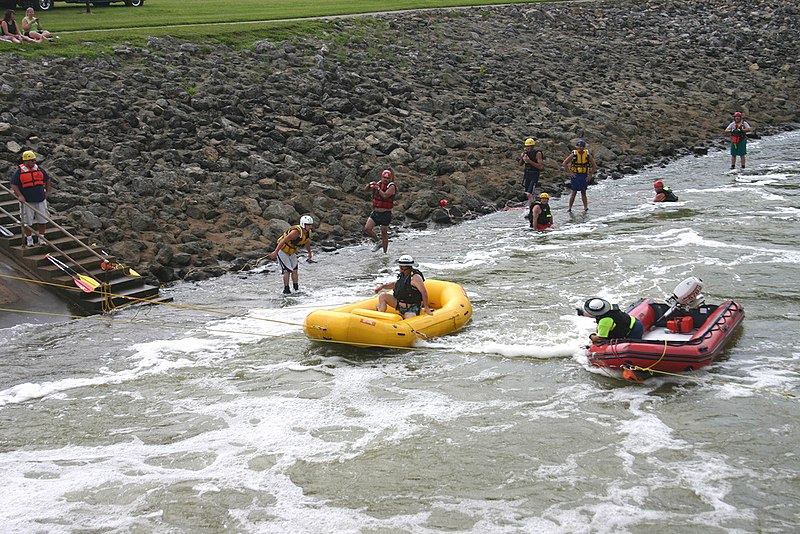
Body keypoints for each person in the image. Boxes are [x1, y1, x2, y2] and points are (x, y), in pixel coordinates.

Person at [10, 150, 52, 247]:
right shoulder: (19, 172)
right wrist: (20, 195)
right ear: (25, 161)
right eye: (31, 160)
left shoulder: (39, 169)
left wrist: (48, 191)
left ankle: (41, 238)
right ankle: (29, 239)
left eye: (34, 160)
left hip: (40, 199)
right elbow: (14, 184)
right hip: (27, 201)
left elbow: (47, 179)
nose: (33, 162)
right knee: (27, 221)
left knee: (43, 220)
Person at [270, 215, 314, 294]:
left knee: (295, 270)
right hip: (282, 251)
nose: (310, 226)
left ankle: (296, 288)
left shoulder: (308, 233)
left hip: (292, 252)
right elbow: (283, 241)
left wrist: (309, 253)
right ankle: (286, 289)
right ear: (303, 224)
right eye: (308, 225)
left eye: (311, 224)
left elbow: (307, 242)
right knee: (287, 271)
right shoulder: (295, 232)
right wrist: (275, 252)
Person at [364, 169, 397, 253]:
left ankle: (385, 253)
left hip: (385, 213)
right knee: (367, 228)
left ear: (390, 179)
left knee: (384, 234)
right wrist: (369, 185)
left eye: (387, 178)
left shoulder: (391, 186)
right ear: (381, 177)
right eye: (384, 178)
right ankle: (378, 242)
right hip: (376, 212)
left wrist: (378, 189)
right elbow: (366, 190)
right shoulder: (378, 183)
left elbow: (385, 196)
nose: (385, 180)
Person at [562, 139, 597, 212]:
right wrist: (570, 173)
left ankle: (585, 207)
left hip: (584, 175)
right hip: (575, 175)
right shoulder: (573, 154)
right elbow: (564, 163)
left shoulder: (587, 155)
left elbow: (594, 165)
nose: (580, 148)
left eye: (582, 146)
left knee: (583, 192)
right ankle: (570, 208)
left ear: (584, 147)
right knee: (574, 192)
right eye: (579, 146)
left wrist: (590, 175)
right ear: (576, 147)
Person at [519, 138, 543, 208]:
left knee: (530, 193)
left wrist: (529, 161)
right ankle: (530, 205)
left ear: (533, 146)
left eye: (529, 146)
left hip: (534, 174)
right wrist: (522, 158)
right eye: (527, 146)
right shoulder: (525, 153)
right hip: (527, 174)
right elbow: (520, 164)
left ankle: (532, 208)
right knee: (526, 193)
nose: (528, 148)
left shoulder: (537, 153)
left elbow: (540, 166)